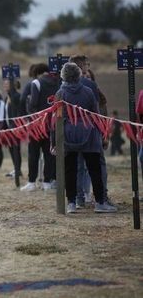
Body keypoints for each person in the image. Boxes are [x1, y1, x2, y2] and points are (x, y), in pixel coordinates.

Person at [53, 62, 116, 213]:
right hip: (89, 134)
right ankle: (100, 203)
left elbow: (57, 119)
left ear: (63, 76)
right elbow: (96, 114)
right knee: (94, 169)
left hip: (67, 134)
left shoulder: (60, 94)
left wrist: (54, 140)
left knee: (70, 169)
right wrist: (102, 134)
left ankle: (71, 203)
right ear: (79, 75)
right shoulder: (88, 92)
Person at [20, 63, 59, 191]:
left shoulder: (36, 83)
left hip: (36, 126)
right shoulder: (58, 82)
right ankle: (47, 181)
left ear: (37, 72)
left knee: (33, 154)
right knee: (49, 154)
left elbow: (33, 104)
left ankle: (32, 182)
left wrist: (28, 111)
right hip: (52, 125)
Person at [3, 77, 22, 179]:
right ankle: (16, 168)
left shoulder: (17, 96)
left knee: (16, 149)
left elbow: (18, 112)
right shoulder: (7, 98)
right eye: (4, 84)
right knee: (11, 149)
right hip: (8, 128)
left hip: (15, 128)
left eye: (7, 84)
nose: (4, 86)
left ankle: (18, 170)